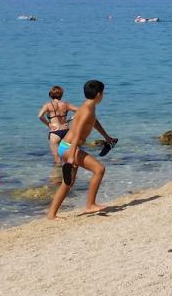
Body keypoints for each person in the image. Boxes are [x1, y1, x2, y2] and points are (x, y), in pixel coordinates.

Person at [47, 79, 118, 219]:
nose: (103, 95)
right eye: (103, 93)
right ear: (98, 94)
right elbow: (77, 131)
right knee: (99, 169)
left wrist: (107, 137)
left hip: (66, 147)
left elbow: (94, 122)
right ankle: (90, 205)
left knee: (68, 183)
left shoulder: (88, 107)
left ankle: (51, 215)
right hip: (69, 148)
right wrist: (72, 156)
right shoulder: (86, 110)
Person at [37, 85, 77, 169]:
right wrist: (71, 119)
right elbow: (80, 111)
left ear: (50, 94)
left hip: (55, 132)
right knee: (68, 157)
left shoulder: (48, 105)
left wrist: (48, 124)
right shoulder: (66, 104)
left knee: (57, 160)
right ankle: (70, 177)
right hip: (66, 131)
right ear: (61, 95)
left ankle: (57, 179)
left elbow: (40, 116)